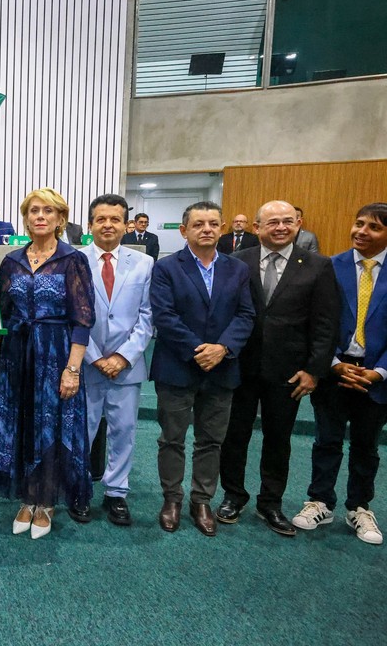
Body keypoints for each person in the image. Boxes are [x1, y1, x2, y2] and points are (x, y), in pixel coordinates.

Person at [217, 201, 339, 537]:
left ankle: (270, 502)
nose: (281, 227)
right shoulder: (236, 262)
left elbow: (326, 323)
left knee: (278, 438)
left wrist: (314, 370)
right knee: (234, 435)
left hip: (289, 370)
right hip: (239, 365)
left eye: (288, 221)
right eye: (272, 222)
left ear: (299, 223)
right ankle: (233, 495)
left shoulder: (317, 266)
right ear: (256, 227)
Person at [0, 188, 95, 539]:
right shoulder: (12, 261)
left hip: (56, 354)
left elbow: (83, 319)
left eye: (48, 211)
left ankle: (45, 501)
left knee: (50, 426)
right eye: (33, 211)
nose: (40, 217)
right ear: (26, 218)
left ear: (61, 219)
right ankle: (26, 498)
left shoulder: (72, 260)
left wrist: (73, 369)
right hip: (16, 353)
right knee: (20, 423)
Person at [149, 201, 255, 537]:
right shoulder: (166, 268)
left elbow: (245, 315)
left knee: (211, 441)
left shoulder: (237, 269)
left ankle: (202, 500)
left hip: (222, 368)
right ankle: (172, 499)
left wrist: (222, 349)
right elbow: (164, 316)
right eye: (198, 224)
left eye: (212, 223)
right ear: (184, 231)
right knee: (172, 439)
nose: (206, 229)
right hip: (178, 366)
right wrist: (199, 351)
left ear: (222, 228)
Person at [291, 203, 387, 545]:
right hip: (334, 369)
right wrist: (331, 362)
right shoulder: (331, 267)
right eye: (358, 223)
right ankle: (320, 501)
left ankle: (359, 507)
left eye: (373, 227)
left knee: (366, 446)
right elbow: (316, 321)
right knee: (326, 440)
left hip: (376, 376)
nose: (361, 231)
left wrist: (378, 372)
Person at [83, 194, 153, 526]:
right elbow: (75, 317)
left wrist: (123, 357)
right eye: (101, 219)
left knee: (124, 431)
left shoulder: (143, 263)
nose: (108, 225)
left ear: (126, 224)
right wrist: (96, 357)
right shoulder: (76, 261)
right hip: (86, 363)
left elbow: (147, 317)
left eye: (115, 219)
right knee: (82, 431)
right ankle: (79, 490)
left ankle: (116, 494)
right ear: (90, 225)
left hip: (127, 366)